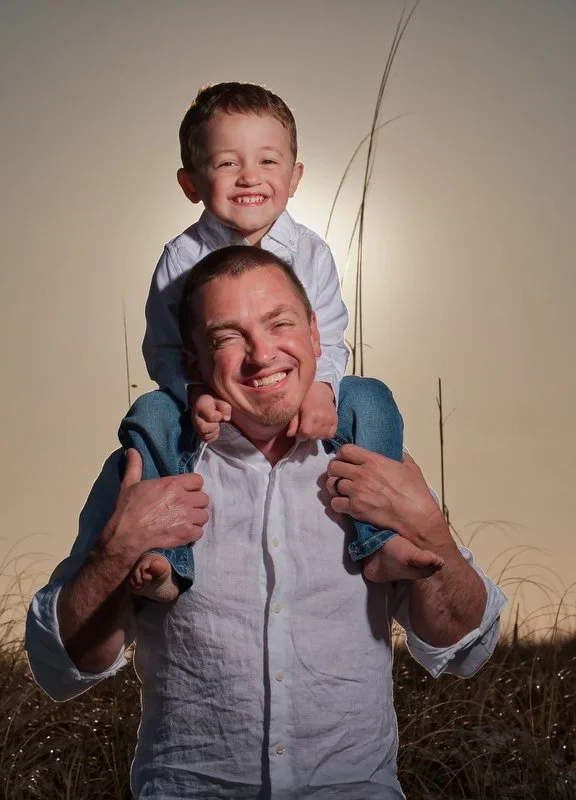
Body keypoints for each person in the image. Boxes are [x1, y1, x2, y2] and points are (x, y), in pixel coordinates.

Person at [26, 245, 508, 799]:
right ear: (193, 363)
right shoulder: (149, 466)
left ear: (316, 336)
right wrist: (116, 551)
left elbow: (466, 646)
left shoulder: (373, 458)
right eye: (227, 338)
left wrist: (431, 531)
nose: (261, 354)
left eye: (280, 324)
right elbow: (59, 667)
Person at [126, 81, 437, 603]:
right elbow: (161, 348)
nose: (249, 176)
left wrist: (324, 389)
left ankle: (381, 540)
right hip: (216, 394)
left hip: (297, 387)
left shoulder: (312, 254)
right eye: (227, 163)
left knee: (371, 398)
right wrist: (192, 391)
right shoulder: (179, 260)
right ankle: (165, 560)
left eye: (268, 161)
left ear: (294, 177)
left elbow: (330, 336)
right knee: (150, 414)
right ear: (190, 183)